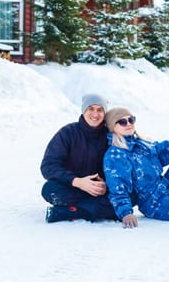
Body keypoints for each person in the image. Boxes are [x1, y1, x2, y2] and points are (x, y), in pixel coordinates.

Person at [40, 93, 118, 223]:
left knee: (131, 195)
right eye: (91, 109)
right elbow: (48, 166)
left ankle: (74, 211)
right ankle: (99, 208)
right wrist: (77, 182)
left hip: (101, 190)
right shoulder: (67, 133)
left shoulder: (110, 136)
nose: (95, 114)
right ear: (83, 111)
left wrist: (106, 184)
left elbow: (119, 167)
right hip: (73, 187)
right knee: (49, 189)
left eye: (100, 110)